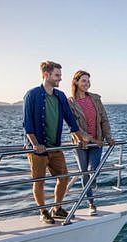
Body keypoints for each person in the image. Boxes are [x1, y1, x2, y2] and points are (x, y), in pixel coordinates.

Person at [23, 61, 85, 224]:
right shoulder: (32, 95)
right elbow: (27, 123)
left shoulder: (60, 95)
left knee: (64, 177)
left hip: (55, 146)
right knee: (39, 181)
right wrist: (36, 144)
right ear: (46, 75)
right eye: (57, 75)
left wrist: (79, 138)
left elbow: (70, 119)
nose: (60, 78)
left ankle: (56, 208)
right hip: (38, 148)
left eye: (60, 75)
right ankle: (43, 211)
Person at [68, 70, 116, 215]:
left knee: (92, 170)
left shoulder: (95, 99)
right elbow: (73, 126)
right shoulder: (70, 102)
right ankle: (91, 204)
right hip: (80, 143)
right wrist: (86, 139)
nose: (86, 83)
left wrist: (108, 137)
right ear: (76, 82)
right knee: (85, 173)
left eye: (88, 81)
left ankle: (91, 183)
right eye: (83, 80)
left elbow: (104, 119)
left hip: (97, 142)